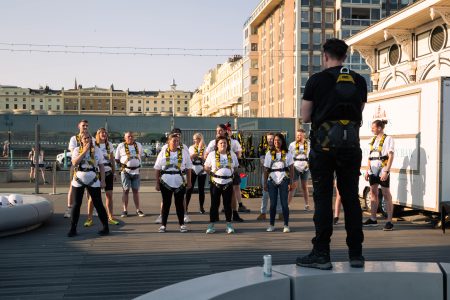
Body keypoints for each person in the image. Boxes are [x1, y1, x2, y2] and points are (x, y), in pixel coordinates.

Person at [296, 38, 367, 270]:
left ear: (325, 56)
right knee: (351, 199)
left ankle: (321, 254)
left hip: (323, 149)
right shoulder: (358, 80)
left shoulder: (316, 80)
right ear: (345, 57)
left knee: (323, 199)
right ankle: (356, 254)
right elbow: (359, 111)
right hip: (350, 148)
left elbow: (305, 117)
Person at [67, 131, 109, 237]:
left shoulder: (97, 150)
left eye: (88, 138)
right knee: (77, 204)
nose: (87, 140)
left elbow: (102, 166)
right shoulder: (77, 150)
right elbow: (74, 163)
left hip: (93, 178)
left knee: (98, 203)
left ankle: (105, 227)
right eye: (84, 138)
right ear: (81, 140)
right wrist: (84, 151)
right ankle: (73, 228)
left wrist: (103, 180)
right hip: (79, 178)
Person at [204, 124, 244, 222]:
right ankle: (215, 216)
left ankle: (234, 213)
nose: (218, 132)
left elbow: (239, 153)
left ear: (225, 131)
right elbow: (206, 155)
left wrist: (232, 158)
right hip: (217, 174)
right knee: (215, 199)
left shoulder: (233, 142)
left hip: (230, 171)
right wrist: (213, 167)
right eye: (217, 131)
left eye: (221, 130)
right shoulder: (212, 142)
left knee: (232, 194)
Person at [154, 133, 192, 233]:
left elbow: (188, 168)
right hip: (166, 182)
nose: (176, 143)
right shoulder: (162, 152)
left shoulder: (184, 153)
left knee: (179, 204)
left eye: (177, 141)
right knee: (166, 204)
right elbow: (157, 168)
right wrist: (157, 183)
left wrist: (189, 182)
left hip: (180, 182)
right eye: (174, 141)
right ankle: (163, 225)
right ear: (168, 142)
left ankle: (182, 224)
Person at [84, 128, 119, 227]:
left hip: (108, 172)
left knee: (109, 196)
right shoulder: (94, 144)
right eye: (101, 133)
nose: (104, 134)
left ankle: (110, 217)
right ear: (98, 134)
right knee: (93, 197)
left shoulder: (109, 144)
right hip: (96, 173)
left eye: (105, 133)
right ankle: (89, 218)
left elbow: (112, 159)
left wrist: (114, 173)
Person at [363, 120, 395, 231]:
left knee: (386, 194)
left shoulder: (388, 139)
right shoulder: (373, 140)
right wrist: (367, 170)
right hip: (373, 170)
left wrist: (387, 171)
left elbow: (390, 156)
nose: (372, 129)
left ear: (380, 128)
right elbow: (370, 156)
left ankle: (389, 221)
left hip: (383, 170)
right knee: (373, 193)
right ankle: (373, 219)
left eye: (373, 127)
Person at [204, 135, 239, 234]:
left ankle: (229, 225)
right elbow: (206, 167)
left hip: (228, 183)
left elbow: (236, 167)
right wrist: (212, 173)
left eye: (224, 143)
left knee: (227, 205)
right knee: (214, 205)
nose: (223, 144)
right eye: (221, 143)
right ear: (217, 145)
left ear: (227, 145)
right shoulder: (212, 154)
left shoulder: (232, 154)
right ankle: (211, 225)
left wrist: (230, 173)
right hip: (216, 183)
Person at [264, 133, 296, 233]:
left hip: (284, 179)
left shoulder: (288, 153)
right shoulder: (269, 153)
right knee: (272, 204)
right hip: (272, 180)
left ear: (282, 141)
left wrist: (291, 181)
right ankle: (271, 224)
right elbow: (266, 169)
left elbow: (291, 168)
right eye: (275, 141)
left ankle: (286, 225)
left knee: (284, 204)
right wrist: (265, 183)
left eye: (278, 140)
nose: (276, 142)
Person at [115, 132, 145, 217]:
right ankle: (125, 210)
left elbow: (141, 155)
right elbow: (117, 158)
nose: (130, 138)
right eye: (128, 136)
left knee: (136, 191)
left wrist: (136, 163)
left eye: (132, 136)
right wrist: (122, 166)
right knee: (126, 190)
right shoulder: (121, 145)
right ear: (125, 138)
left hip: (136, 171)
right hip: (125, 171)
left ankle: (138, 210)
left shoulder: (138, 145)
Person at [64, 119, 90, 218]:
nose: (85, 127)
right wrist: (84, 150)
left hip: (89, 165)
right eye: (83, 125)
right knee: (72, 186)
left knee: (90, 188)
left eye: (87, 126)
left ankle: (92, 208)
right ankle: (69, 208)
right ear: (79, 126)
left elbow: (93, 150)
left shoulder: (90, 137)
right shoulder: (74, 138)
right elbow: (74, 151)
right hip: (77, 166)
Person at [256, 132, 282, 220]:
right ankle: (263, 213)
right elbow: (263, 162)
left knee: (278, 194)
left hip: (277, 174)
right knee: (265, 194)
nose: (270, 140)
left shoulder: (279, 149)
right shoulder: (263, 149)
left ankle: (280, 213)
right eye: (268, 139)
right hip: (266, 174)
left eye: (271, 139)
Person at [288, 129, 311, 210]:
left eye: (300, 135)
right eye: (297, 135)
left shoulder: (308, 144)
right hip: (295, 166)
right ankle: (287, 205)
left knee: (304, 186)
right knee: (293, 186)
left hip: (305, 166)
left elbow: (311, 155)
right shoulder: (292, 144)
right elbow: (289, 156)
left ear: (304, 135)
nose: (298, 136)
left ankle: (307, 204)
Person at [185, 132, 207, 214]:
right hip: (193, 169)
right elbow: (188, 159)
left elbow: (206, 158)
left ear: (200, 139)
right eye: (194, 139)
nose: (195, 141)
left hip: (202, 169)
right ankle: (186, 206)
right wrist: (193, 155)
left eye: (197, 139)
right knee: (189, 188)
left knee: (201, 190)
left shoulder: (205, 147)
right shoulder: (191, 147)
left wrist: (201, 156)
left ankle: (201, 207)